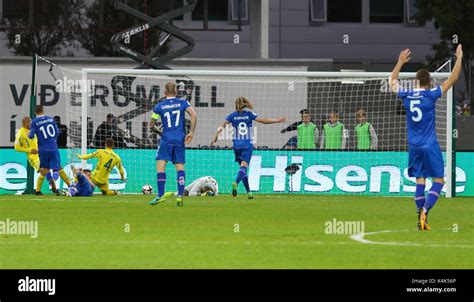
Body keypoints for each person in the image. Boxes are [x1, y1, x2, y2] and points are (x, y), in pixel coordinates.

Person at [390, 45, 463, 230]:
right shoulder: (431, 95)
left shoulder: (406, 95)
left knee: (420, 179)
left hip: (414, 145)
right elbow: (453, 78)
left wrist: (400, 62)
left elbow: (392, 82)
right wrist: (459, 58)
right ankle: (425, 211)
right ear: (429, 82)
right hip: (429, 144)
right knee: (439, 180)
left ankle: (420, 218)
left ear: (416, 81)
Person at [210, 96, 286, 199]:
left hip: (236, 146)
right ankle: (236, 183)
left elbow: (221, 127)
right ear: (245, 104)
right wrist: (277, 120)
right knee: (244, 168)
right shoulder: (249, 114)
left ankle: (249, 193)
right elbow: (263, 121)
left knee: (242, 169)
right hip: (247, 145)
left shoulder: (231, 116)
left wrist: (215, 138)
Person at [148, 82, 197, 207]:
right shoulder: (183, 103)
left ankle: (160, 195)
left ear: (164, 93)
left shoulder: (159, 107)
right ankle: (180, 196)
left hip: (166, 139)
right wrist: (191, 132)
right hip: (180, 139)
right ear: (176, 92)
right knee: (180, 167)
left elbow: (151, 125)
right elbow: (193, 115)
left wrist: (161, 133)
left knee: (160, 166)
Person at [28, 105, 71, 195]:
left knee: (44, 169)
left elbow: (31, 136)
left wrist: (30, 132)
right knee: (58, 168)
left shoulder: (34, 122)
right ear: (43, 110)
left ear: (35, 112)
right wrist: (52, 141)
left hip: (43, 149)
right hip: (53, 147)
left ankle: (38, 190)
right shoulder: (51, 119)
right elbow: (57, 132)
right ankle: (70, 186)